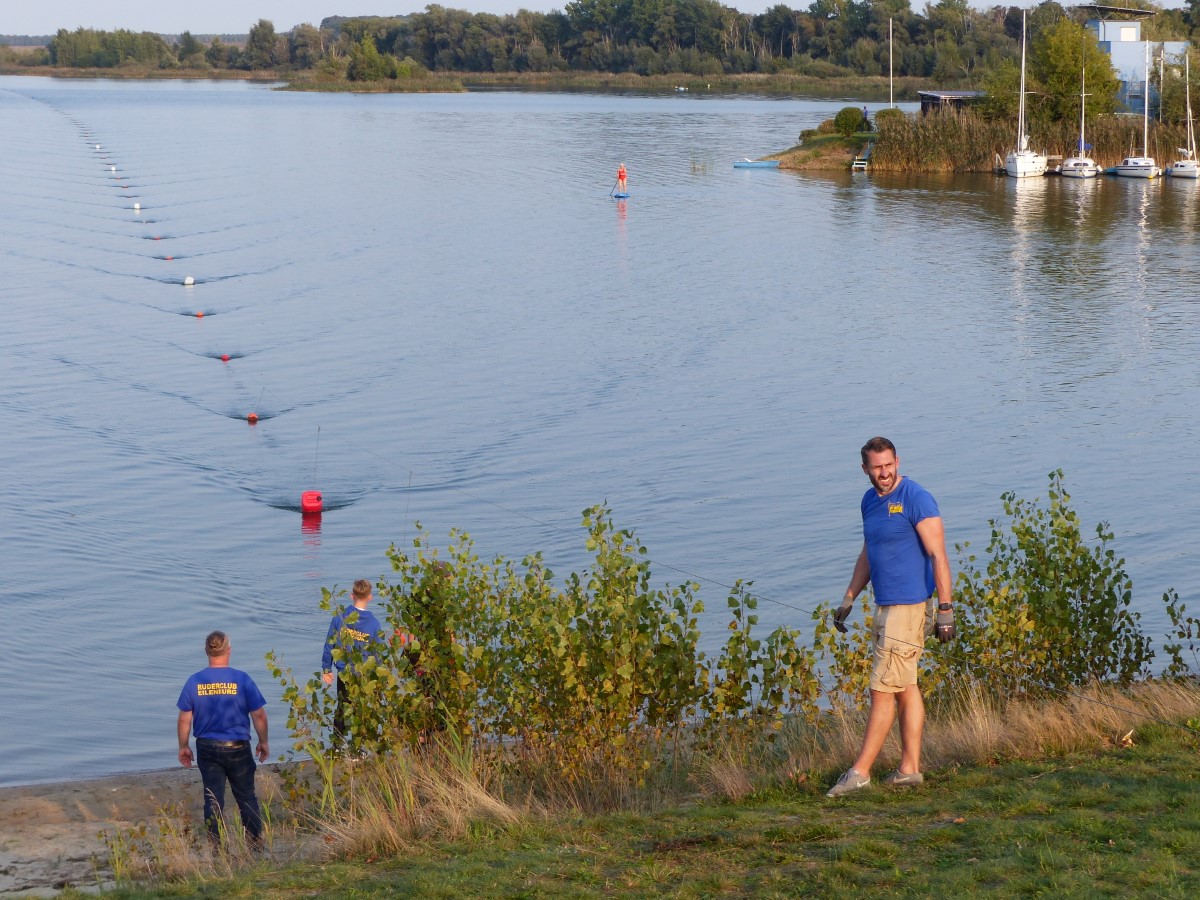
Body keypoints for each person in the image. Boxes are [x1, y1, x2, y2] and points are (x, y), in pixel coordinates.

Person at [826, 436, 955, 798]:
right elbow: (869, 551)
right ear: (864, 468)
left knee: (881, 688)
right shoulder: (869, 501)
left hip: (909, 607)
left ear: (898, 461)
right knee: (904, 686)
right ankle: (909, 771)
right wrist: (849, 597)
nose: (883, 473)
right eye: (876, 467)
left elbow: (938, 555)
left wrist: (945, 610)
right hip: (885, 604)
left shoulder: (916, 498)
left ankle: (860, 773)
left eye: (888, 465)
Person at [177, 631, 269, 848]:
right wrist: (263, 741)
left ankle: (216, 846)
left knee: (213, 798)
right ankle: (254, 843)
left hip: (207, 747)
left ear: (206, 651)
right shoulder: (242, 679)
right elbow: (259, 715)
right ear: (229, 650)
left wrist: (183, 746)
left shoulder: (194, 681)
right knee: (246, 797)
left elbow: (184, 719)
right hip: (238, 747)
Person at [321, 578, 386, 749]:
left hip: (344, 673)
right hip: (363, 674)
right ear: (370, 597)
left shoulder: (340, 617)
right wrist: (380, 676)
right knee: (361, 709)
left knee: (342, 708)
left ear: (351, 596)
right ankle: (358, 748)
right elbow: (378, 653)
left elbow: (329, 644)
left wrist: (326, 668)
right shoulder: (374, 624)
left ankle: (337, 746)